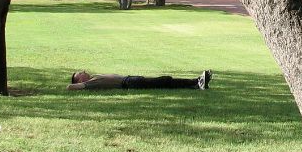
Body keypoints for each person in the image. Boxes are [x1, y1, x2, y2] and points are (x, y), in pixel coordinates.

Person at [67, 70, 212, 91]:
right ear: (78, 79)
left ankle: (195, 82)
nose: (84, 71)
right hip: (129, 83)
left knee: (164, 80)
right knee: (164, 81)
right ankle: (196, 82)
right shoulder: (89, 83)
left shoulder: (93, 78)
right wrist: (73, 85)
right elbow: (71, 87)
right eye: (81, 72)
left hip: (131, 79)